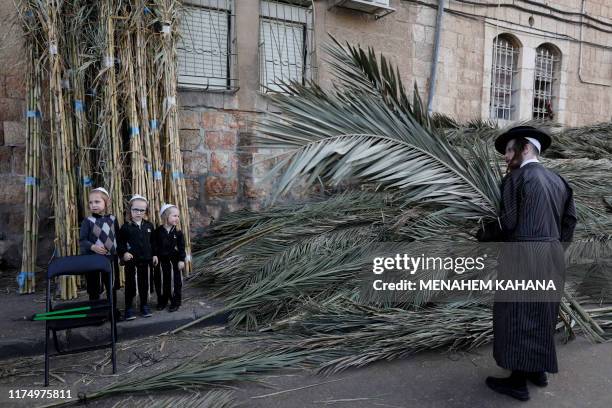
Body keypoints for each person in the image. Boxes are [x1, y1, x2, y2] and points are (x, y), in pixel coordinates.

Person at [478, 126, 577, 401]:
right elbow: (570, 221)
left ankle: (518, 382)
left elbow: (507, 223)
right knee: (542, 314)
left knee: (518, 315)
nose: (506, 156)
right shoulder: (559, 180)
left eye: (510, 150)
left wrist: (483, 234)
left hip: (523, 255)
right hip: (552, 255)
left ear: (525, 149)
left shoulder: (516, 179)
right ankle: (538, 371)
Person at [79, 187, 121, 314]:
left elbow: (117, 237)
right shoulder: (88, 221)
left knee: (111, 286)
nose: (93, 205)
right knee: (94, 287)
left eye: (97, 202)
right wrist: (93, 247)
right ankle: (95, 312)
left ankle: (112, 311)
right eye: (91, 202)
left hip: (110, 259)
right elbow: (82, 240)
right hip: (93, 260)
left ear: (106, 202)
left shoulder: (113, 219)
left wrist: (119, 254)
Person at [117, 194, 155, 320]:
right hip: (131, 262)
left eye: (142, 210)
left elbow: (153, 242)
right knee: (130, 284)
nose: (138, 212)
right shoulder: (125, 227)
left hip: (146, 261)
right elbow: (120, 243)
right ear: (130, 210)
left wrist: (154, 254)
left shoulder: (149, 226)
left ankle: (144, 305)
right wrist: (123, 253)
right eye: (135, 209)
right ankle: (129, 308)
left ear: (146, 211)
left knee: (144, 284)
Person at [152, 204, 186, 312]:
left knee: (175, 282)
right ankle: (162, 301)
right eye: (174, 216)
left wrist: (181, 260)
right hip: (162, 263)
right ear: (166, 216)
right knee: (162, 282)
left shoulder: (178, 233)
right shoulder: (157, 232)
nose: (177, 218)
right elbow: (154, 246)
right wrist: (155, 255)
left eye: (178, 216)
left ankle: (175, 301)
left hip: (174, 262)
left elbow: (181, 247)